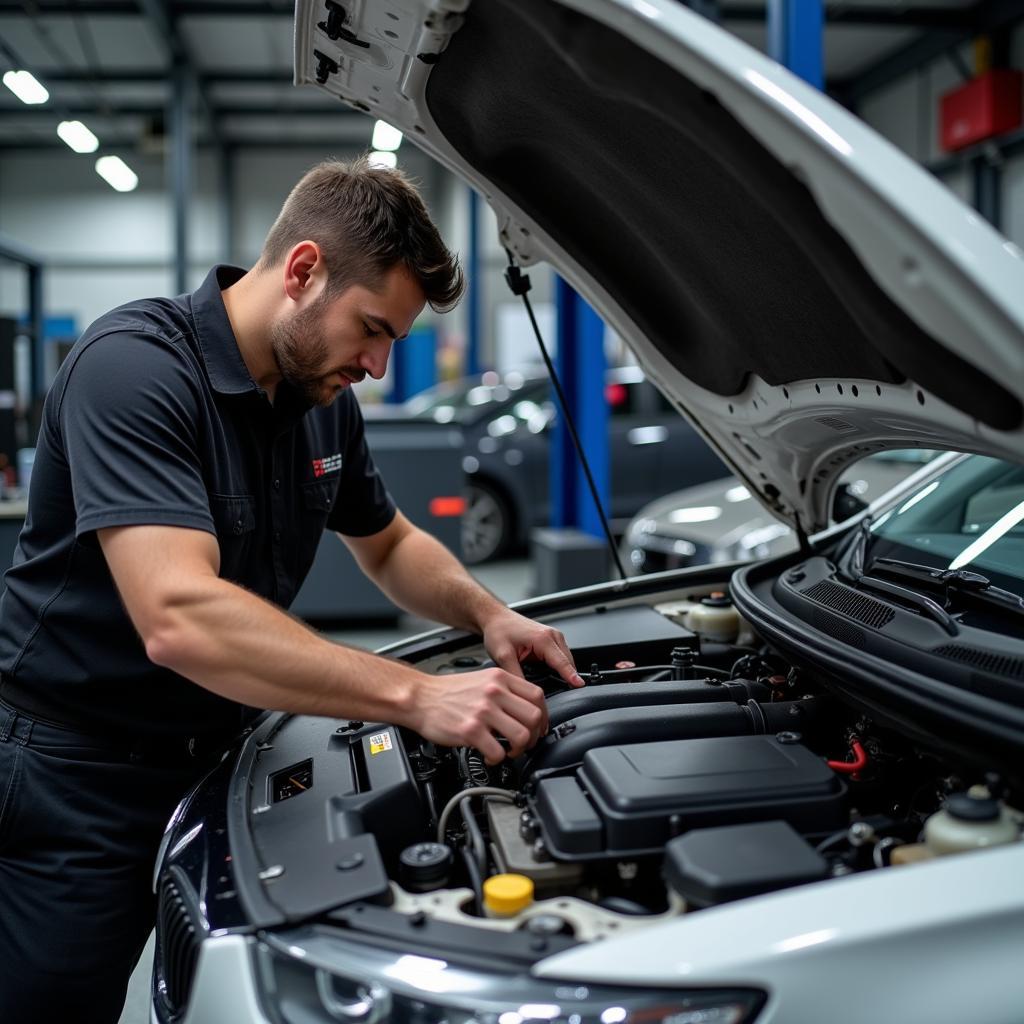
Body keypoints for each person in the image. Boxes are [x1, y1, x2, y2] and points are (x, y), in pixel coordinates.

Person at [0, 156, 585, 1023]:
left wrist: (488, 611)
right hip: (76, 774)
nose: (380, 365)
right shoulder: (133, 369)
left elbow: (388, 544)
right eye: (373, 328)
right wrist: (416, 696)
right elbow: (179, 618)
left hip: (218, 751)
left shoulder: (321, 399)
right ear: (304, 271)